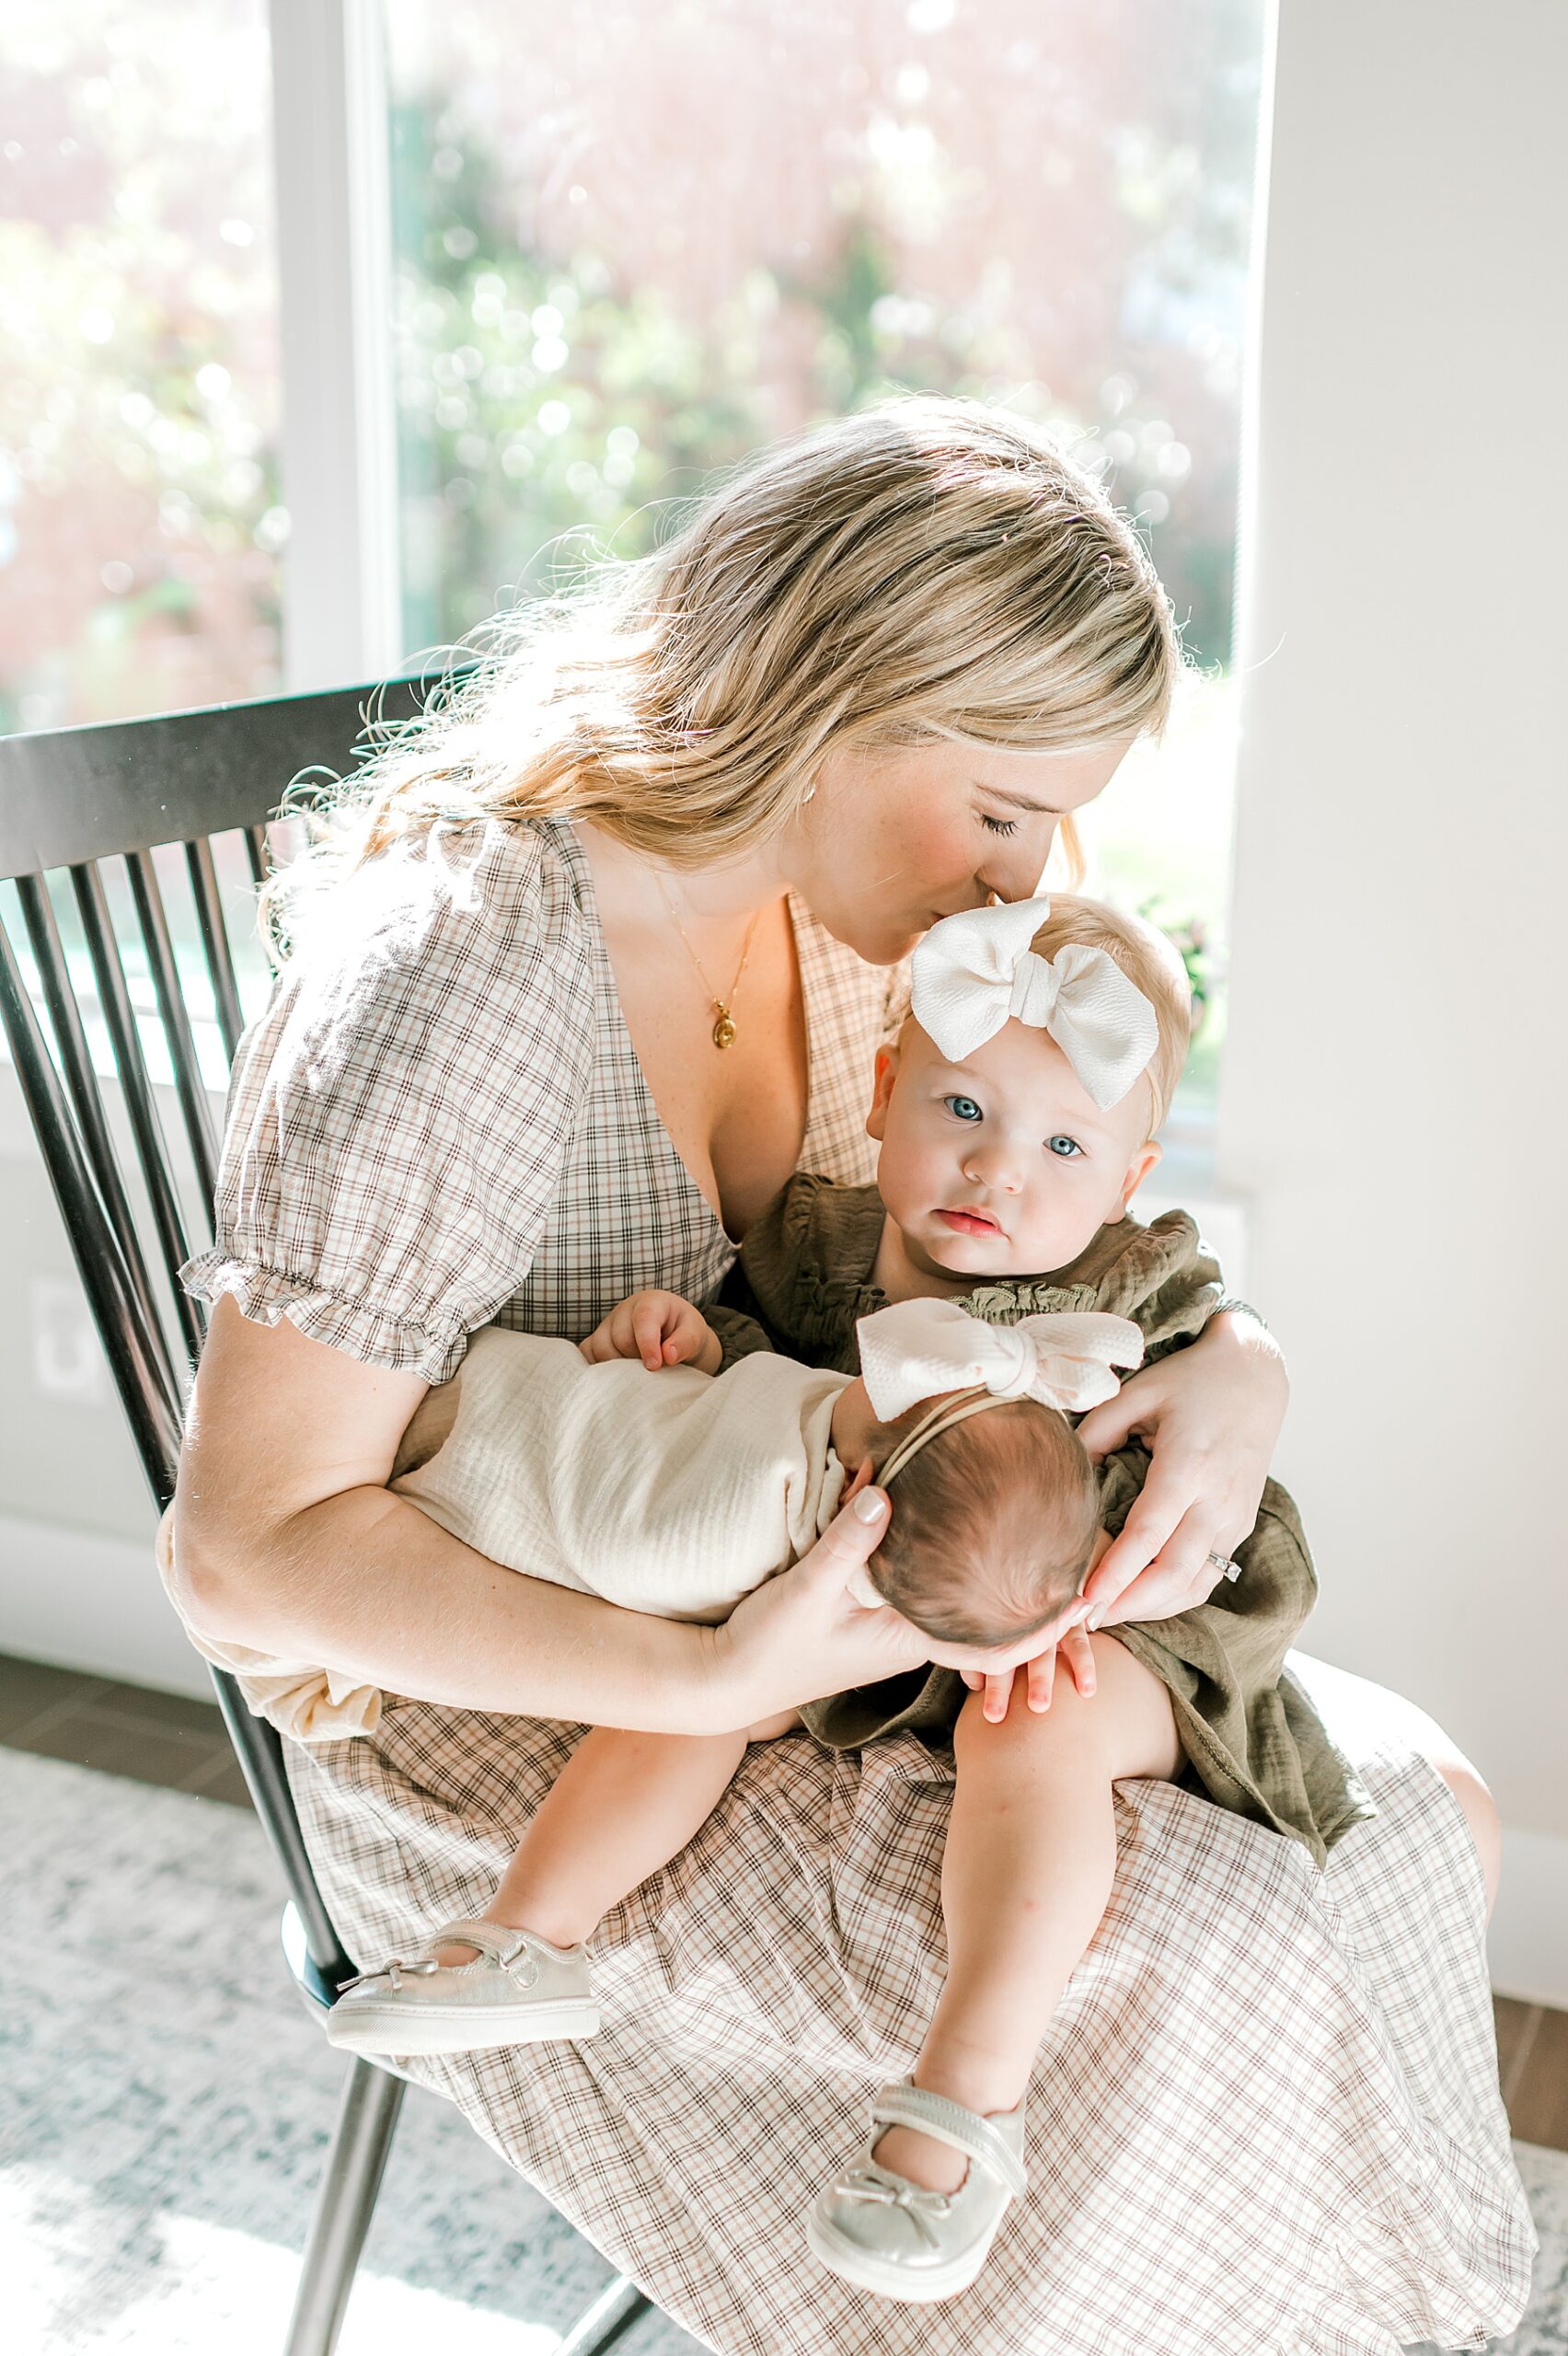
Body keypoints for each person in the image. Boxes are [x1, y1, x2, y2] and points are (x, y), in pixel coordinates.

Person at [168, 399, 1521, 2351]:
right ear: (828, 698)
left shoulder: (849, 925)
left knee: (1425, 1804)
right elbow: (248, 1557)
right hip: (509, 1712)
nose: (1026, 877)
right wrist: (713, 1674)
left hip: (806, 1603)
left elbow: (967, 1253)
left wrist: (1238, 1364)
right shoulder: (461, 971)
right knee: (1209, 1948)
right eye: (1000, 805)